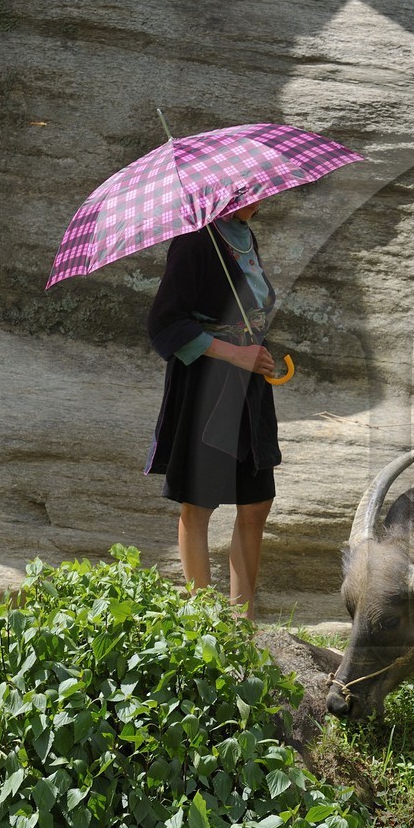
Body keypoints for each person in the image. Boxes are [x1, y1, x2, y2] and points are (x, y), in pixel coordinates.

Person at [145, 201, 282, 619]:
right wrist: (233, 353)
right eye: (250, 191)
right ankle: (203, 619)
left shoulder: (243, 236)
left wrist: (252, 348)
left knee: (256, 502)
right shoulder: (193, 242)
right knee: (198, 503)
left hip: (250, 384)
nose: (260, 199)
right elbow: (164, 324)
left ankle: (242, 621)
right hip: (206, 384)